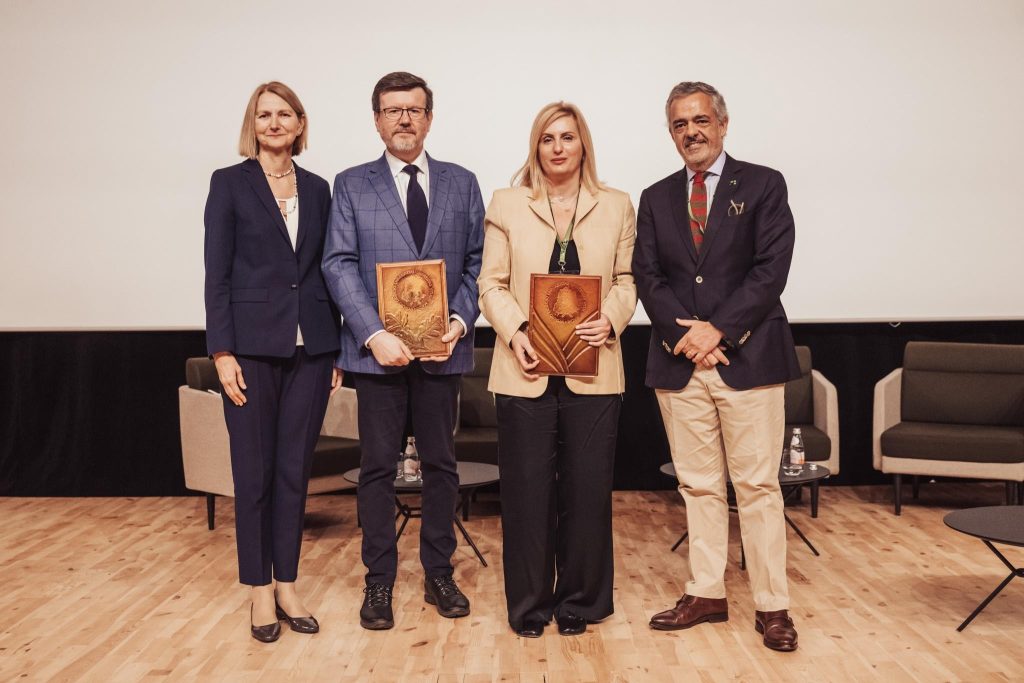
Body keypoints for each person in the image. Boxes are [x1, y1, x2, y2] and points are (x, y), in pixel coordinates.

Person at [633, 81, 802, 652]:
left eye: (701, 120)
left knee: (757, 487)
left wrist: (719, 330)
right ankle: (705, 591)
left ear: (723, 125)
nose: (692, 133)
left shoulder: (763, 184)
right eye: (680, 125)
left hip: (748, 359)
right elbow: (647, 276)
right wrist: (689, 339)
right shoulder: (655, 197)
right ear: (671, 133)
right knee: (699, 486)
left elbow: (771, 269)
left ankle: (772, 606)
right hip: (680, 364)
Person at [321, 72, 484, 630]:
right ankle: (379, 581)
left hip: (443, 352)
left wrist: (461, 321)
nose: (404, 119)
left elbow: (477, 264)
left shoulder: (462, 183)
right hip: (377, 354)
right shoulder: (351, 184)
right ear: (377, 120)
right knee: (376, 469)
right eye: (393, 110)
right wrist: (372, 333)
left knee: (441, 466)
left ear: (430, 118)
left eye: (414, 110)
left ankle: (440, 571)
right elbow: (337, 263)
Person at [478, 102, 637, 638]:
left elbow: (627, 279)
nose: (558, 147)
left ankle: (581, 603)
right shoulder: (506, 203)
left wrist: (611, 320)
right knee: (525, 494)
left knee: (587, 493)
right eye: (547, 138)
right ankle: (529, 606)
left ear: (583, 144)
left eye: (568, 137)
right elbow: (490, 284)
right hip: (523, 368)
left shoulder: (616, 205)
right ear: (535, 146)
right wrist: (518, 332)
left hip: (595, 369)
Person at [204, 81, 342, 643]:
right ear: (252, 124)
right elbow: (218, 273)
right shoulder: (228, 184)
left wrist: (333, 349)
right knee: (254, 476)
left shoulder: (318, 187)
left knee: (293, 475)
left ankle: (288, 584)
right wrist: (221, 351)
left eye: (285, 114)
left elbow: (325, 270)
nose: (275, 122)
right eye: (265, 115)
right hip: (251, 351)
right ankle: (259, 591)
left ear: (301, 123)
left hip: (312, 350)